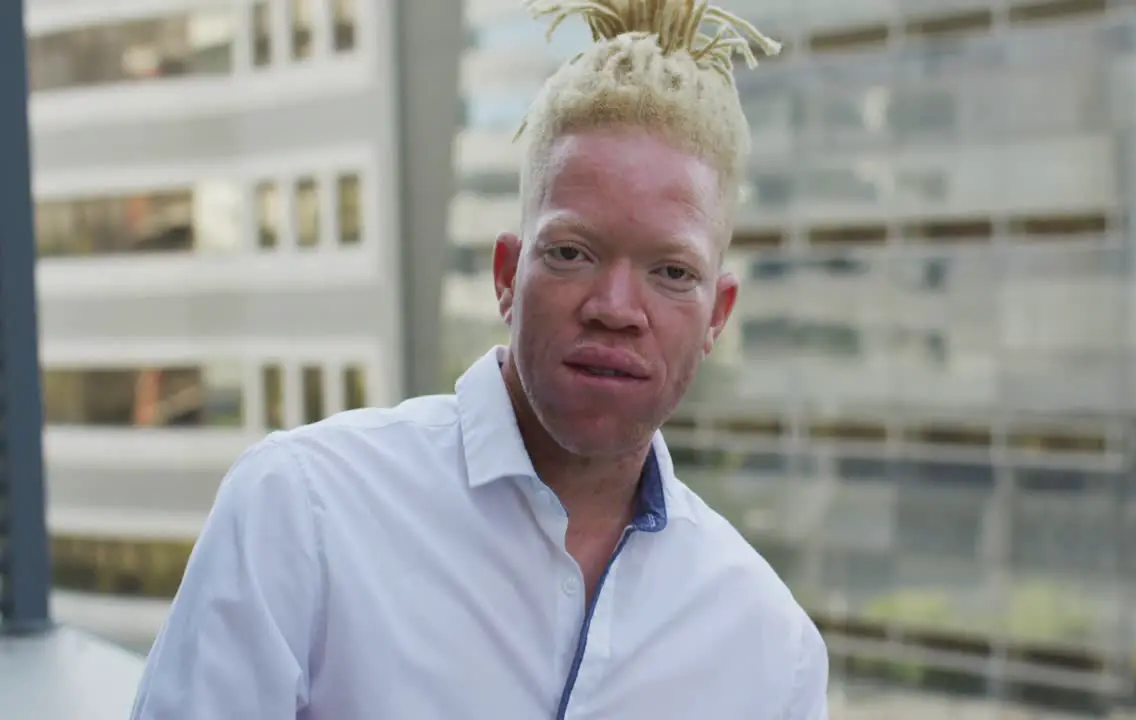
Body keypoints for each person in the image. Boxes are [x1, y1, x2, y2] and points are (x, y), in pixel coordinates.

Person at [130, 0, 829, 717]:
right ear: (506, 276)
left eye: (672, 272)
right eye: (571, 253)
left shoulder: (770, 648)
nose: (616, 307)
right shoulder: (302, 512)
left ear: (717, 315)